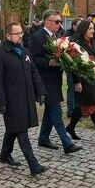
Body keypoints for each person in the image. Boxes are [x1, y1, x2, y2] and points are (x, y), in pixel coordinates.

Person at [0, 22, 49, 177]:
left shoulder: (24, 51)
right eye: (17, 33)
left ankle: (5, 155)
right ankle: (33, 165)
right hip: (11, 100)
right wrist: (0, 102)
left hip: (26, 98)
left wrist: (40, 91)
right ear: (8, 35)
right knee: (21, 131)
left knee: (13, 128)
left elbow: (34, 72)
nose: (21, 36)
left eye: (21, 33)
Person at [29, 10, 82, 154]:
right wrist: (49, 62)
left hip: (55, 79)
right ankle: (67, 143)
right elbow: (32, 59)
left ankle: (43, 138)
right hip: (44, 80)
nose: (59, 24)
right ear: (47, 22)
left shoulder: (58, 36)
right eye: (56, 21)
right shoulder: (37, 37)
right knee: (56, 111)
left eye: (60, 21)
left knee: (50, 111)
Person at [63, 17, 83, 117]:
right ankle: (71, 110)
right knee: (71, 86)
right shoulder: (68, 35)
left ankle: (79, 109)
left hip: (80, 63)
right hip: (70, 64)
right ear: (74, 26)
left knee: (80, 86)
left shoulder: (82, 34)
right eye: (79, 26)